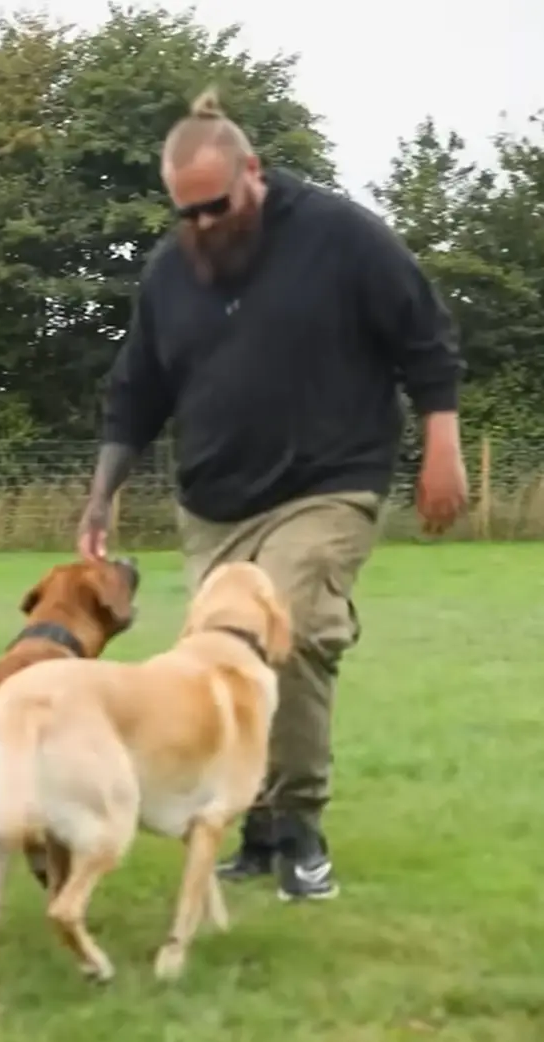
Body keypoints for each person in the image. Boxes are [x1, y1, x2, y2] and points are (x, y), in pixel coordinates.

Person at [75, 88, 468, 901]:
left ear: (252, 171)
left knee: (295, 631)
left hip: (329, 480)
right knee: (217, 660)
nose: (201, 227)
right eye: (184, 213)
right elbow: (136, 390)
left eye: (214, 207)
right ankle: (250, 822)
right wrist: (100, 493)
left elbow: (423, 335)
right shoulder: (171, 269)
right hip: (214, 499)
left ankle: (301, 825)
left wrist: (442, 444)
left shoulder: (340, 236)